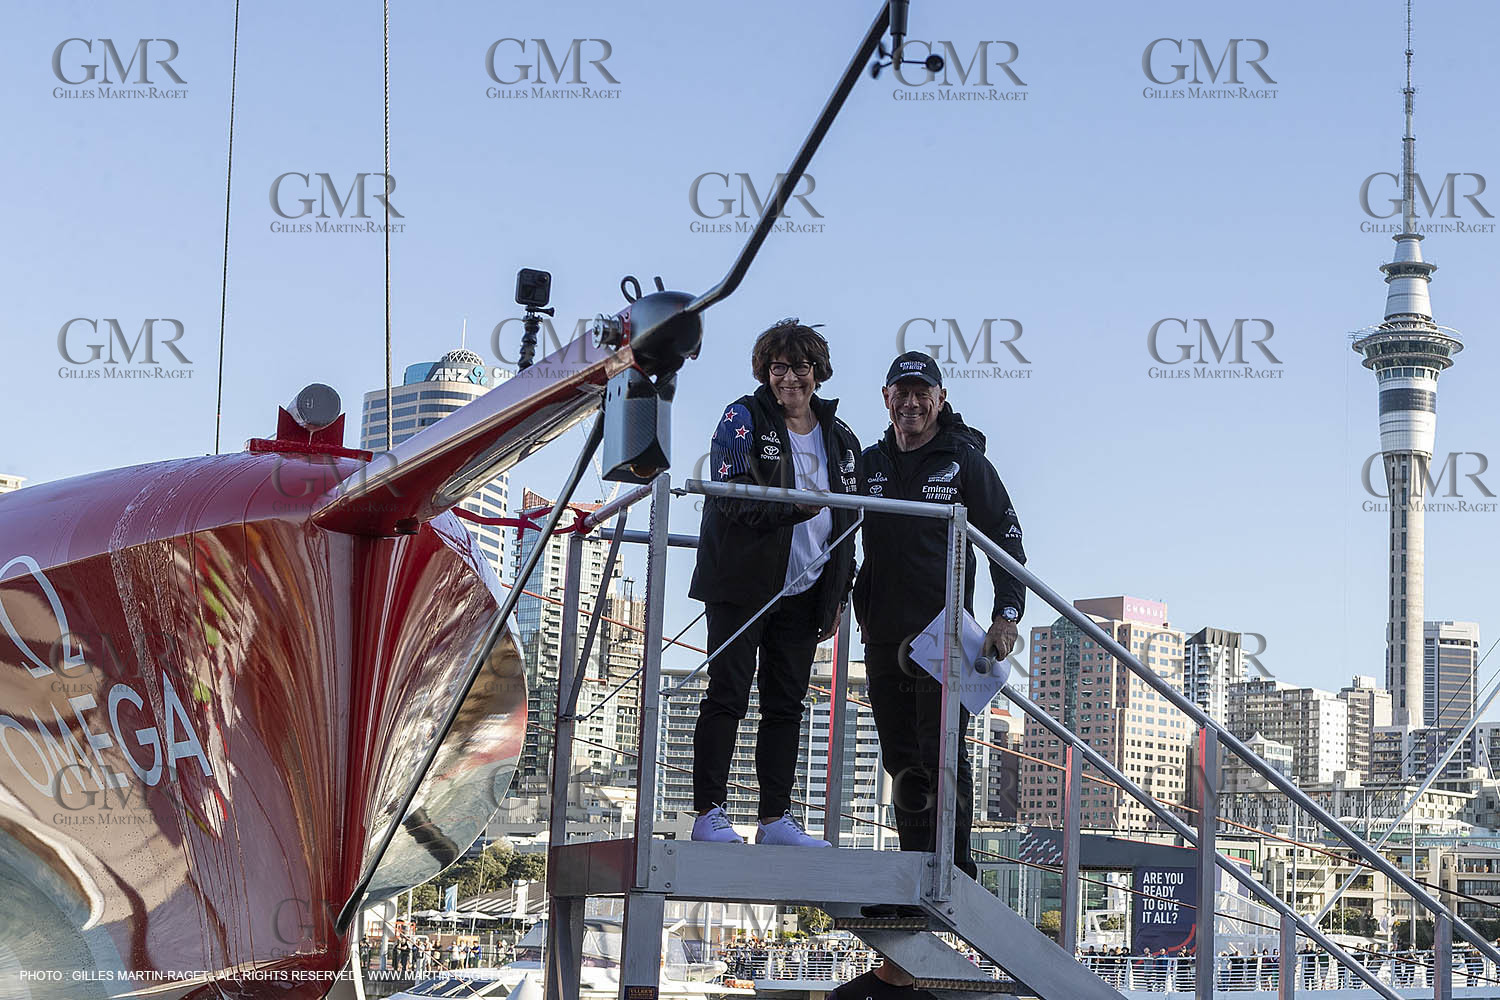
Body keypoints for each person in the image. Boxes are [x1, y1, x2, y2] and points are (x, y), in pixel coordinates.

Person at [689, 318, 862, 846]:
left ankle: (774, 819)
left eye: (801, 367)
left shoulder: (841, 437)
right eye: (778, 367)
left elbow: (851, 522)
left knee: (786, 706)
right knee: (727, 694)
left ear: (818, 372)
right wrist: (794, 508)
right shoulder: (741, 416)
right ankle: (708, 814)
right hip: (740, 585)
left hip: (805, 591)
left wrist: (837, 595)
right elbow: (731, 494)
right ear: (765, 372)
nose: (790, 378)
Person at [853, 351, 1025, 879]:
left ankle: (953, 868)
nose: (911, 403)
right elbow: (835, 536)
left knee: (942, 751)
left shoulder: (964, 460)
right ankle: (915, 869)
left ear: (940, 399)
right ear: (886, 399)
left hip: (943, 631)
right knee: (900, 757)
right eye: (901, 393)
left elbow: (1006, 537)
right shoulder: (869, 462)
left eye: (921, 393)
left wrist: (1006, 614)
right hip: (883, 633)